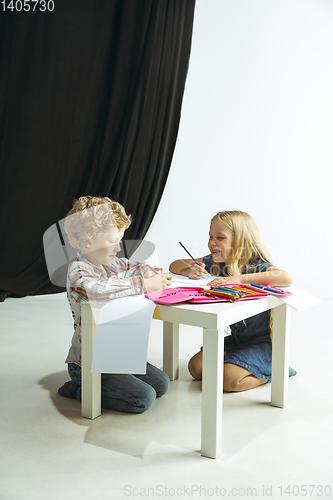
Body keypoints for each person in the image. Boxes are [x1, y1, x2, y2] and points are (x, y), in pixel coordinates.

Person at [58, 195, 172, 413]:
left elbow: (137, 266)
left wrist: (151, 273)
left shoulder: (113, 264)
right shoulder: (78, 271)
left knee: (161, 384)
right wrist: (144, 284)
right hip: (89, 362)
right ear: (87, 241)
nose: (118, 248)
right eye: (112, 241)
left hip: (119, 355)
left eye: (119, 240)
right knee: (143, 398)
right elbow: (96, 290)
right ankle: (81, 389)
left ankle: (110, 383)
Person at [169, 210, 294, 392]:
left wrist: (238, 279)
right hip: (238, 339)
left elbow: (286, 278)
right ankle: (240, 362)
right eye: (211, 236)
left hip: (263, 343)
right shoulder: (217, 263)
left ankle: (276, 370)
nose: (212, 243)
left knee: (227, 380)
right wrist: (189, 270)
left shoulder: (256, 266)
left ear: (242, 242)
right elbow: (175, 264)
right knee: (196, 368)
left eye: (220, 237)